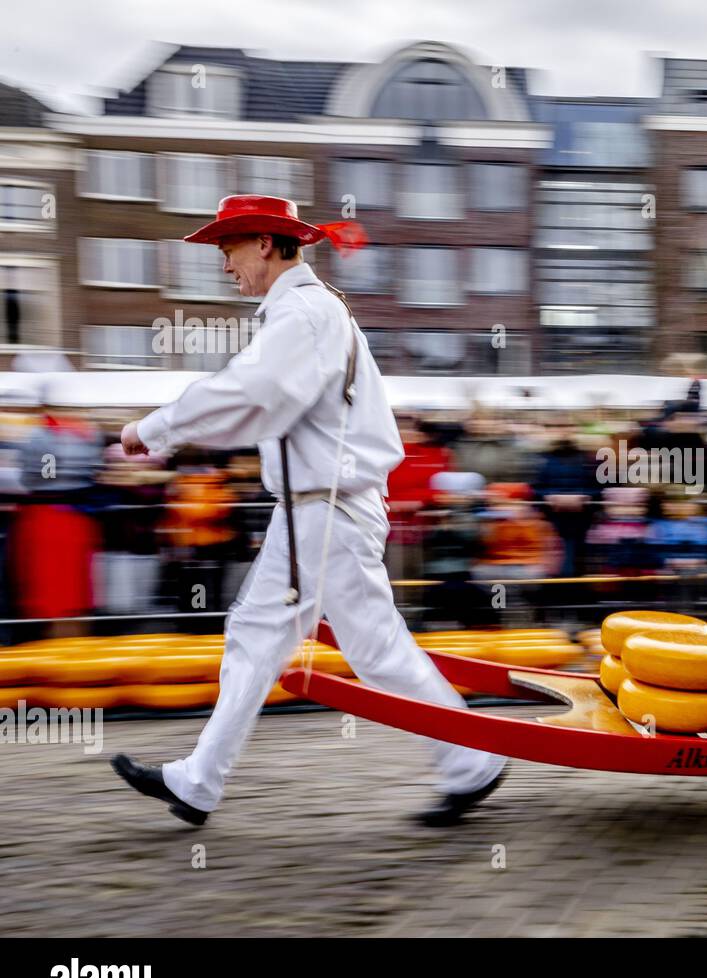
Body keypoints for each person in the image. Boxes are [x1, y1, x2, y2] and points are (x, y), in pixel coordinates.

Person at [109, 194, 507, 826]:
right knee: (342, 645)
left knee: (297, 640)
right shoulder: (309, 311)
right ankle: (467, 761)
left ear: (264, 243)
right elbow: (260, 402)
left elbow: (250, 393)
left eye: (228, 247)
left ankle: (470, 760)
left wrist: (151, 429)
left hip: (324, 511)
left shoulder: (302, 313)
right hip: (323, 509)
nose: (223, 262)